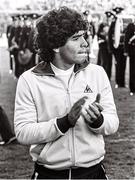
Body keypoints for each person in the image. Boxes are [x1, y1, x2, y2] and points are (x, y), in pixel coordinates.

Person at [14, 7, 119, 179]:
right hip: (49, 174)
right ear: (55, 44)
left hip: (93, 172)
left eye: (84, 36)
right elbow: (23, 132)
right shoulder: (29, 80)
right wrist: (63, 123)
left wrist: (98, 121)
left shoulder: (97, 73)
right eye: (76, 38)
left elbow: (113, 123)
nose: (85, 43)